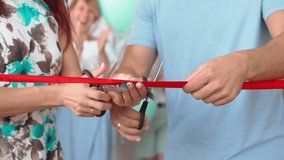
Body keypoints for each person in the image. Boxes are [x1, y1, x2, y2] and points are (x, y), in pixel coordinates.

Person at [109, 0, 284, 160]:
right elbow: (133, 66)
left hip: (261, 150)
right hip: (182, 151)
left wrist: (244, 64)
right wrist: (120, 92)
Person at [0, 0, 146, 159]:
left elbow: (75, 82)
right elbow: (65, 92)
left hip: (45, 150)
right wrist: (59, 95)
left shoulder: (54, 5)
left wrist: (111, 97)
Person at [55, 0, 113, 160]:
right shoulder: (59, 42)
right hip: (67, 111)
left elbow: (110, 76)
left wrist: (101, 51)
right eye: (81, 9)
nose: (85, 15)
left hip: (96, 110)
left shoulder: (101, 42)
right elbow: (68, 77)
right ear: (71, 11)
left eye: (90, 11)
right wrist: (77, 49)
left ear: (95, 18)